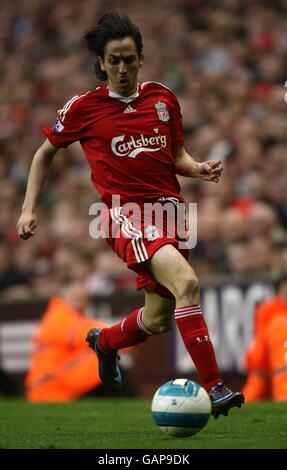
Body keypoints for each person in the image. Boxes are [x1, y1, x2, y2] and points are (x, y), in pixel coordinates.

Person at [16, 12, 244, 418]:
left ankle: (104, 342)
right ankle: (216, 387)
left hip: (172, 215)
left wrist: (198, 168)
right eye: (114, 60)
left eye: (129, 59)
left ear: (141, 59)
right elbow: (43, 154)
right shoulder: (83, 108)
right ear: (101, 63)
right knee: (188, 284)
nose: (122, 68)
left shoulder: (163, 99)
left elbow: (176, 156)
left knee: (157, 320)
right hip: (124, 215)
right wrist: (29, 208)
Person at [243, 276, 287, 402]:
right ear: (278, 293)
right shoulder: (269, 310)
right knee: (249, 398)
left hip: (271, 364)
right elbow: (260, 341)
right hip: (266, 364)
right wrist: (258, 364)